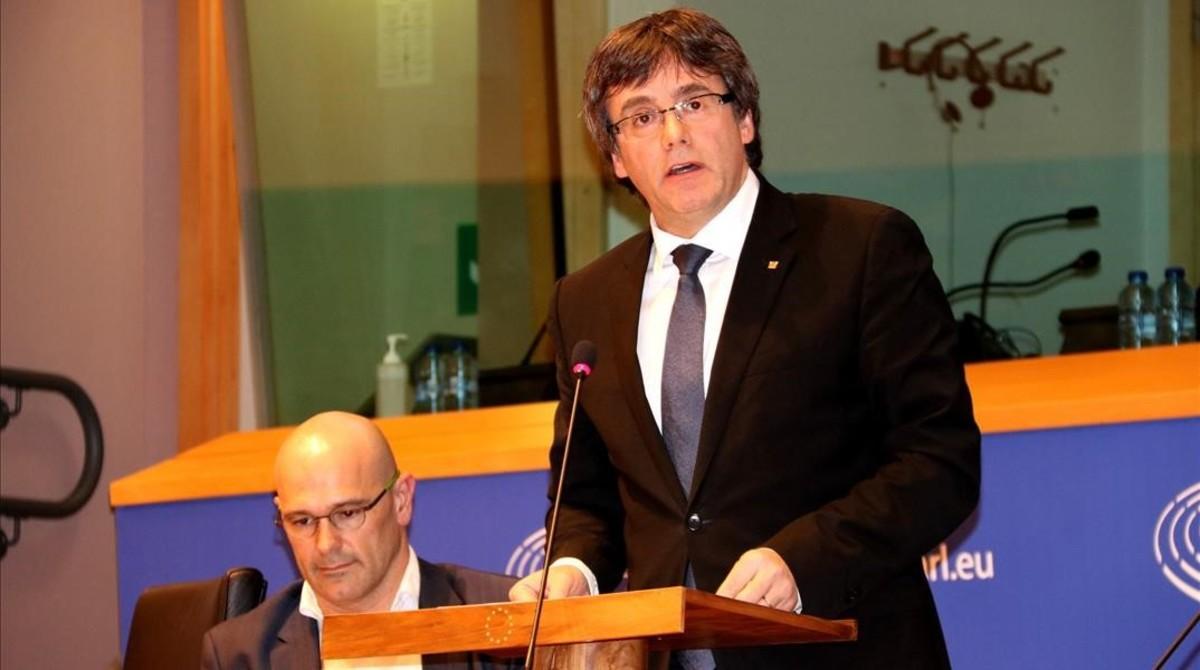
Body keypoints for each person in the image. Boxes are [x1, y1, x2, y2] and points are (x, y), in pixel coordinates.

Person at [508, 8, 981, 669]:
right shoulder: (584, 300)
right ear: (615, 157)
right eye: (642, 116)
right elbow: (587, 499)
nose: (673, 134)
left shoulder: (858, 248)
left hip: (842, 648)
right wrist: (573, 571)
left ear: (745, 118)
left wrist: (800, 559)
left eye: (695, 101)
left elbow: (939, 464)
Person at [202, 411, 515, 669]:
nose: (325, 544)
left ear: (401, 500)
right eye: (302, 521)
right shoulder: (238, 655)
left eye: (348, 513)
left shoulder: (511, 620)